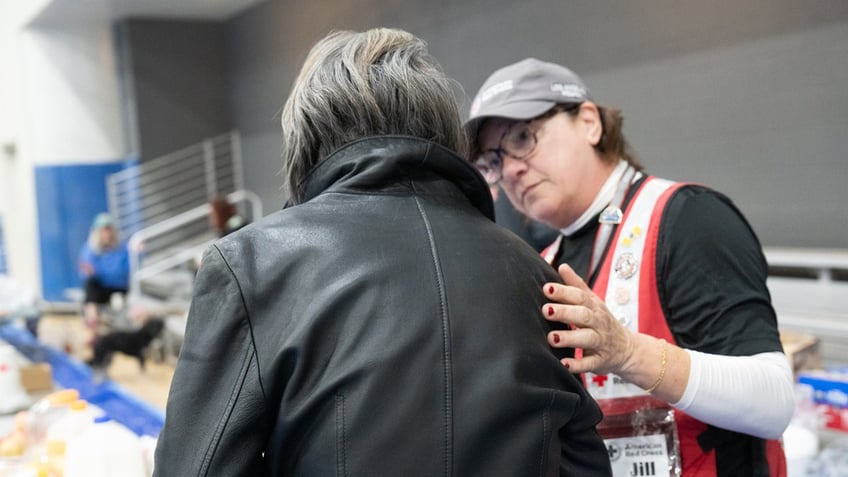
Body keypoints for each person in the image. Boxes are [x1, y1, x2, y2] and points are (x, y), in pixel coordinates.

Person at [154, 30, 612, 476]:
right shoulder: (532, 270)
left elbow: (196, 465)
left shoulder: (251, 265)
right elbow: (584, 458)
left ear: (307, 136)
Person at [466, 58, 794, 476]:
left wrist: (628, 352)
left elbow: (774, 402)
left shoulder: (685, 218)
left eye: (523, 137)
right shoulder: (545, 266)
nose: (510, 168)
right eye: (492, 160)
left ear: (589, 122)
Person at [78, 213, 129, 327]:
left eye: (108, 230)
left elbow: (123, 271)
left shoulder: (122, 248)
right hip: (100, 288)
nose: (106, 233)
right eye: (103, 230)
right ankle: (93, 322)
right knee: (90, 285)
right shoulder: (90, 249)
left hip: (119, 287)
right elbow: (85, 272)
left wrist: (100, 272)